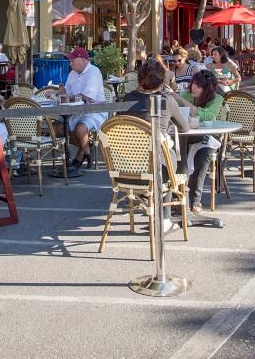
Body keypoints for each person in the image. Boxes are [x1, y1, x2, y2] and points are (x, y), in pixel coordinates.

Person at [121, 58, 189, 233]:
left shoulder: (126, 100)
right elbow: (184, 127)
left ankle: (147, 199)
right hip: (157, 168)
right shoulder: (166, 100)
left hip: (126, 168)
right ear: (162, 80)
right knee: (169, 156)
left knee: (162, 154)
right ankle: (164, 218)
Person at [176, 69, 224, 213]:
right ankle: (178, 197)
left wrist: (184, 103)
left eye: (198, 85)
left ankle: (195, 199)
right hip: (185, 136)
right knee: (175, 153)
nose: (193, 88)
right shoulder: (185, 94)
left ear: (207, 89)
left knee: (203, 155)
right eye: (193, 84)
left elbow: (207, 116)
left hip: (207, 136)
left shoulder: (217, 99)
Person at [56, 47, 107, 168]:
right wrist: (57, 93)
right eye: (70, 60)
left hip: (93, 111)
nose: (71, 63)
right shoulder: (72, 73)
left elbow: (86, 97)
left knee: (80, 130)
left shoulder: (94, 72)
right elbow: (67, 92)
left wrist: (67, 97)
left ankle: (81, 152)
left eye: (73, 60)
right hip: (74, 111)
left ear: (84, 60)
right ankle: (85, 147)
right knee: (56, 128)